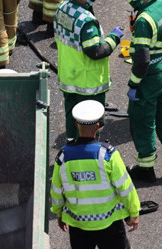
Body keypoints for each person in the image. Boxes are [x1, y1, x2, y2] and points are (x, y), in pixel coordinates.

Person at [103, 0, 162, 183]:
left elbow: (142, 60)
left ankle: (146, 168)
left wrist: (134, 84)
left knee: (143, 121)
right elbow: (140, 3)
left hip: (149, 77)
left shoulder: (142, 22)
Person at [51, 100, 140, 249]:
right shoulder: (108, 155)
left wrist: (59, 213)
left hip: (78, 224)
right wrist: (134, 212)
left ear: (76, 125)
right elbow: (125, 187)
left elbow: (56, 190)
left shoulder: (63, 156)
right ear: (97, 127)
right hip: (109, 223)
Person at [55, 0, 124, 140]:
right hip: (88, 84)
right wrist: (113, 38)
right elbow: (96, 51)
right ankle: (90, 153)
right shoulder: (86, 22)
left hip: (69, 76)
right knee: (91, 124)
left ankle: (71, 146)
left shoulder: (62, 8)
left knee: (72, 119)